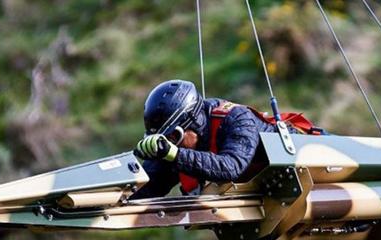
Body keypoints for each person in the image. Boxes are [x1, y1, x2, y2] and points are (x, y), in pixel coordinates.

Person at [131, 79, 311, 199]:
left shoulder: (237, 119)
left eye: (173, 137)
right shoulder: (176, 149)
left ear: (193, 122)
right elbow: (146, 187)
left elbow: (231, 166)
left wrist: (175, 154)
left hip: (315, 156)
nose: (169, 145)